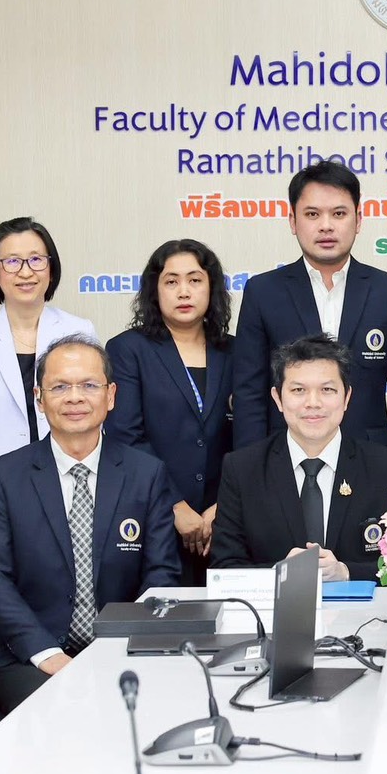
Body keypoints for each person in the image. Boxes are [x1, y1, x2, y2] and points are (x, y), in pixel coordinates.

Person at [0, 334, 181, 714]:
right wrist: (46, 653)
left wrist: (120, 646)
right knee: (62, 711)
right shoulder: (2, 478)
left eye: (89, 385)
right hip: (28, 657)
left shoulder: (146, 474)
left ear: (111, 395)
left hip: (121, 648)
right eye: (60, 387)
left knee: (154, 709)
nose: (75, 398)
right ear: (39, 398)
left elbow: (161, 575)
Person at [231, 163, 387, 454]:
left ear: (358, 220)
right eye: (312, 214)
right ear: (293, 221)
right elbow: (249, 394)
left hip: (371, 459)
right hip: (284, 458)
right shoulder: (263, 292)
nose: (326, 226)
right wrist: (254, 467)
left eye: (339, 214)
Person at [210, 335, 387, 582]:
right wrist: (278, 574)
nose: (313, 403)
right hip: (275, 608)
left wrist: (347, 572)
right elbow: (224, 569)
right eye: (298, 390)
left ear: (347, 397)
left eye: (327, 390)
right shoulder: (242, 469)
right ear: (278, 398)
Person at [106, 240, 234, 584]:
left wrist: (225, 505)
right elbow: (126, 436)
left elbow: (252, 435)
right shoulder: (128, 350)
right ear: (155, 290)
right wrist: (175, 505)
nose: (184, 291)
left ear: (211, 287)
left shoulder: (235, 351)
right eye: (171, 281)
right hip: (153, 516)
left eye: (195, 280)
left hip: (224, 521)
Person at [0, 217, 97, 483]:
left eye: (36, 260)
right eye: (12, 262)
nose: (26, 272)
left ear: (51, 269)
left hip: (70, 480)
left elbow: (94, 408)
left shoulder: (79, 330)